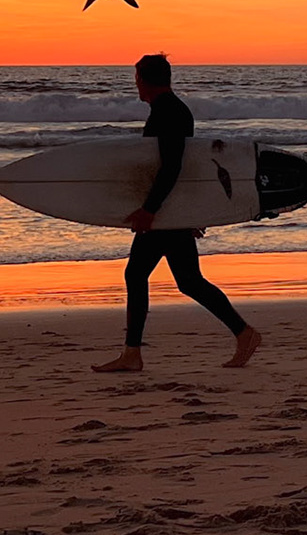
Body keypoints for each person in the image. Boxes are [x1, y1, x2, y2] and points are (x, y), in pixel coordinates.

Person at [93, 55, 261, 373]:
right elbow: (185, 166)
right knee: (188, 280)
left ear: (145, 80)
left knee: (139, 274)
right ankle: (244, 333)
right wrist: (189, 211)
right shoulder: (171, 109)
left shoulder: (168, 112)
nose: (136, 85)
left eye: (137, 78)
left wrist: (150, 210)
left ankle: (133, 354)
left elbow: (172, 166)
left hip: (164, 211)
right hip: (173, 209)